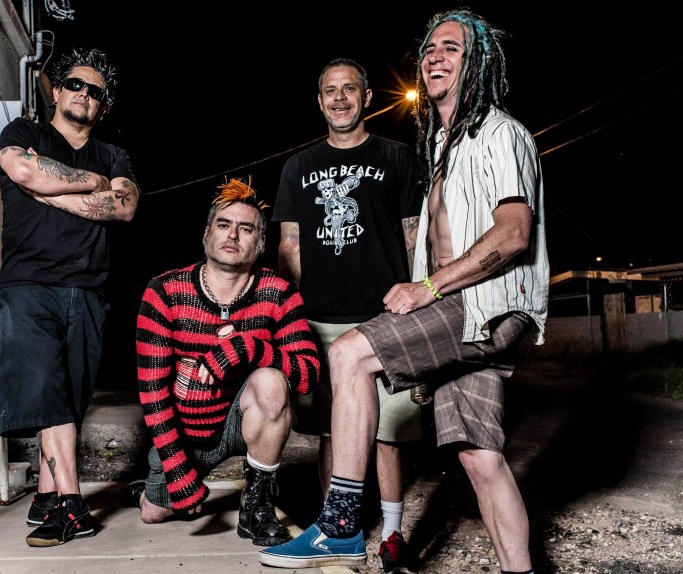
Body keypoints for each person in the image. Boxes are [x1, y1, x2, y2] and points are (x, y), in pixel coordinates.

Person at [260, 9, 548, 574]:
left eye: (452, 48)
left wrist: (427, 287)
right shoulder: (442, 145)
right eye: (429, 49)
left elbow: (514, 233)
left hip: (479, 304)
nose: (435, 56)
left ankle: (341, 527)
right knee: (481, 458)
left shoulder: (499, 132)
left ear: (478, 62)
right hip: (463, 311)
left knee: (350, 355)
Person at [271, 57, 424, 573]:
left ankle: (394, 533)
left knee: (389, 433)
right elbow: (289, 246)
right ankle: (336, 529)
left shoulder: (397, 157)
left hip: (384, 316)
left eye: (349, 89)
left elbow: (413, 237)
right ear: (320, 102)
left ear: (366, 97)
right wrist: (289, 312)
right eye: (331, 90)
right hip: (318, 318)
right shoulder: (298, 166)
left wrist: (421, 298)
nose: (340, 98)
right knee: (333, 432)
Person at [117, 177, 320, 548]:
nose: (233, 235)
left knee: (271, 381)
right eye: (224, 225)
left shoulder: (278, 292)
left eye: (246, 229)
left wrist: (248, 347)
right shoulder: (165, 291)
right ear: (206, 234)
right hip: (184, 430)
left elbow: (307, 374)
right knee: (154, 514)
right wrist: (178, 470)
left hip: (237, 424)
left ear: (261, 244)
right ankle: (145, 492)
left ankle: (256, 506)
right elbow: (153, 392)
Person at [0, 46, 141, 547]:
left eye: (95, 91)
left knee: (70, 397)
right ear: (56, 91)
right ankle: (72, 505)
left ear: (103, 106)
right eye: (75, 85)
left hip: (88, 288)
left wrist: (55, 192)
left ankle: (45, 494)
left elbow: (124, 207)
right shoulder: (24, 133)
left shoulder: (114, 155)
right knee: (45, 386)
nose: (84, 94)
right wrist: (92, 185)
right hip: (29, 284)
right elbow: (25, 172)